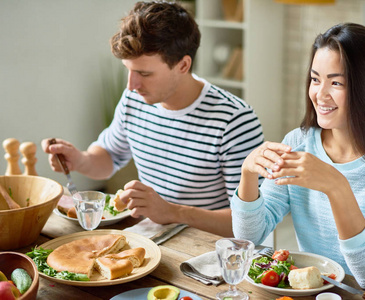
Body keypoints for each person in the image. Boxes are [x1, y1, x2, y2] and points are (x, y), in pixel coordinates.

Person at [231, 23, 365, 294]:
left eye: (336, 82)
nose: (320, 94)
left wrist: (336, 186)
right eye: (315, 79)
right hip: (322, 292)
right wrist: (248, 175)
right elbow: (246, 238)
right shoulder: (298, 144)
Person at [42, 1, 263, 237]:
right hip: (153, 240)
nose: (131, 85)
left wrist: (172, 212)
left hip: (211, 253)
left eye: (144, 73)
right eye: (128, 70)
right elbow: (109, 156)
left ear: (183, 65)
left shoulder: (235, 121)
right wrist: (80, 160)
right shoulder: (134, 99)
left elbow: (251, 226)